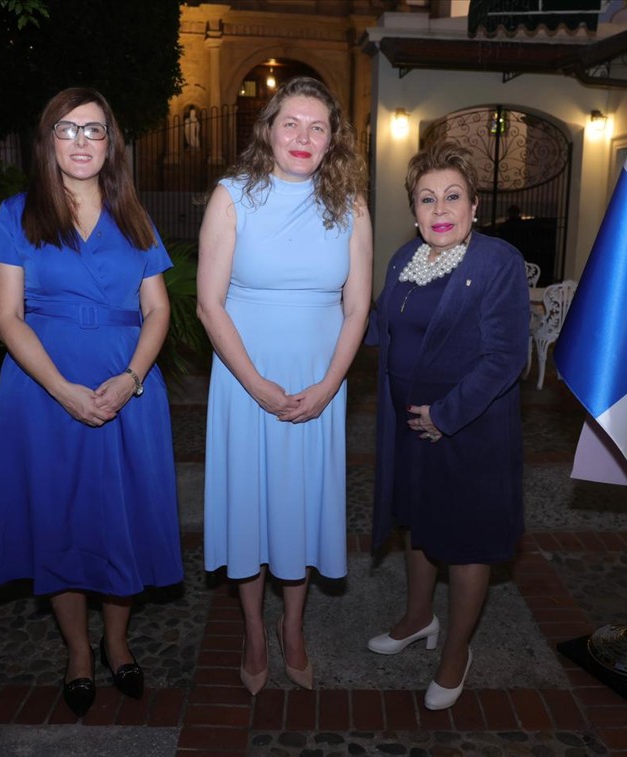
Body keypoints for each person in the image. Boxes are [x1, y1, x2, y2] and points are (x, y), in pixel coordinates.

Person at [0, 87, 183, 717]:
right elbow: (8, 317)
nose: (80, 141)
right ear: (48, 141)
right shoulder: (17, 214)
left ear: (110, 143)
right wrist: (61, 390)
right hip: (44, 393)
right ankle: (77, 650)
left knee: (122, 518)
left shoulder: (135, 216)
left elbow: (158, 309)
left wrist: (131, 378)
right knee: (61, 520)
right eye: (67, 129)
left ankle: (117, 642)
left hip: (129, 392)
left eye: (93, 130)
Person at [197, 76, 372, 695]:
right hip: (244, 380)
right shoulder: (232, 196)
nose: (303, 136)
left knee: (300, 506)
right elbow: (209, 305)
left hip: (319, 382)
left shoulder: (350, 204)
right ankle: (252, 629)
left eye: (317, 127)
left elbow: (358, 307)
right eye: (291, 123)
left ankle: (292, 627)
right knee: (249, 506)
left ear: (332, 140)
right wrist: (256, 385)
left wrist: (328, 386)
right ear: (268, 130)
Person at [367, 141, 529, 710]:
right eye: (427, 198)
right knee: (417, 524)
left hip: (468, 429)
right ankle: (418, 618)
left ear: (474, 205)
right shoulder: (404, 260)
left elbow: (506, 357)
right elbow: (378, 327)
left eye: (453, 196)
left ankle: (457, 651)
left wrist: (446, 415)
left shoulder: (496, 262)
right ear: (413, 210)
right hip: (408, 427)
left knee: (465, 543)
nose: (440, 209)